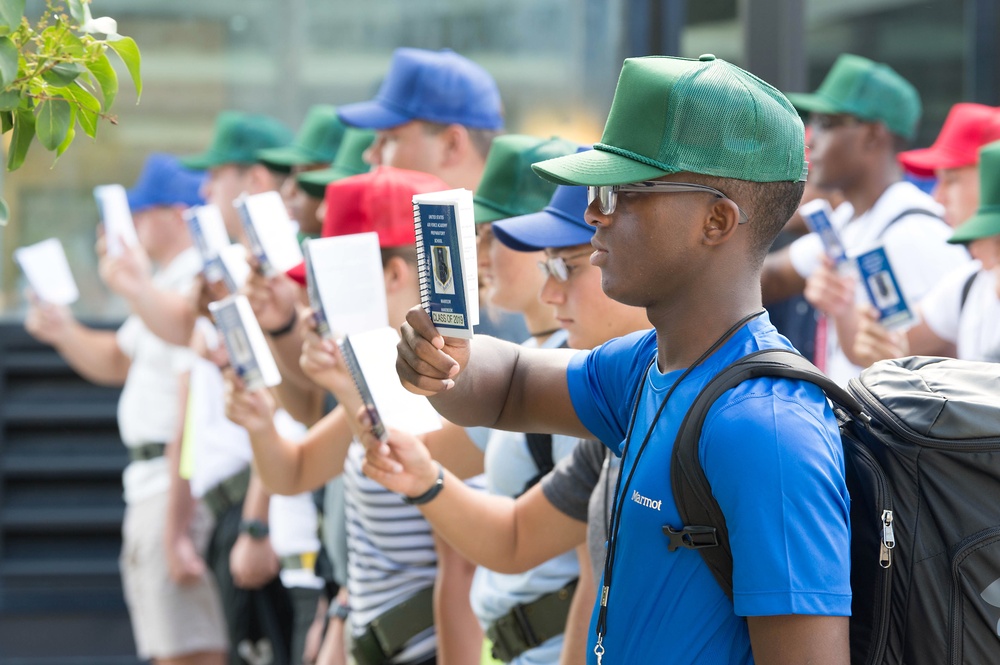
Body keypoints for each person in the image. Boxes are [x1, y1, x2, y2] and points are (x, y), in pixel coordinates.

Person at [389, 54, 852, 665]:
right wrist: (443, 362)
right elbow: (510, 387)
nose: (592, 214)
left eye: (619, 193)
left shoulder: (765, 427)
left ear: (716, 220)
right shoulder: (646, 366)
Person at [226, 166, 476, 665]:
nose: (312, 309)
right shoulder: (377, 375)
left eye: (328, 281)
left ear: (394, 275)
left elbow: (460, 573)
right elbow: (291, 472)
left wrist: (346, 387)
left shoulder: (447, 387)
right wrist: (258, 421)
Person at [24, 154, 229, 665]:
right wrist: (63, 329)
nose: (132, 225)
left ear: (177, 214)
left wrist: (178, 525)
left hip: (172, 486)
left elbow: (193, 405)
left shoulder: (195, 283)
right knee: (171, 646)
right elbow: (118, 360)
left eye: (143, 212)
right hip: (153, 486)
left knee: (189, 651)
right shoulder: (167, 281)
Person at [761, 53, 969, 385]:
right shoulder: (847, 221)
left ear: (872, 135)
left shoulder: (917, 230)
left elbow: (949, 371)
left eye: (827, 124)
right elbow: (769, 277)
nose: (811, 139)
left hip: (894, 435)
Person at [853, 140, 1000, 365]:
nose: (937, 197)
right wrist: (885, 344)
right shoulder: (970, 283)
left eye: (951, 180)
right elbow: (891, 342)